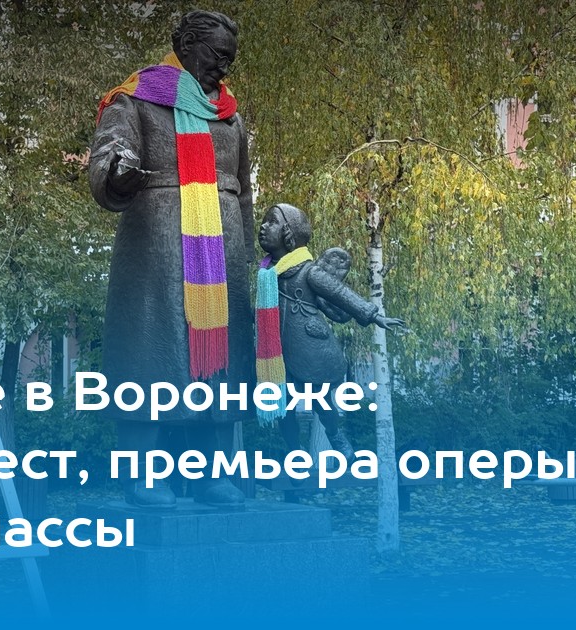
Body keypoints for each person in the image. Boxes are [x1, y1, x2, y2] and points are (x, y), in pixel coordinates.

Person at [89, 10, 253, 508]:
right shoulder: (136, 98)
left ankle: (209, 475)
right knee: (152, 354)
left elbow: (244, 190)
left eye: (229, 59)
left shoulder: (230, 116)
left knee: (219, 364)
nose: (223, 68)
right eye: (216, 55)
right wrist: (118, 173)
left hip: (221, 250)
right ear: (185, 45)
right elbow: (108, 155)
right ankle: (141, 476)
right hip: (157, 245)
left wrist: (246, 251)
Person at [255, 203, 405, 458]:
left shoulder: (309, 272)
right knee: (283, 407)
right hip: (277, 353)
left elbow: (339, 293)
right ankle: (295, 454)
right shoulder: (267, 274)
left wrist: (374, 316)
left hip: (307, 349)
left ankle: (336, 436)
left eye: (272, 222)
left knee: (320, 399)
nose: (263, 227)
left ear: (289, 233)